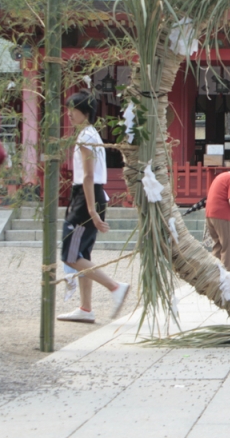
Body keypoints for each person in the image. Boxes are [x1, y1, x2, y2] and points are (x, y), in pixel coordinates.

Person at [57, 90, 130, 323]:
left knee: (70, 254)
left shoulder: (86, 137)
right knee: (81, 253)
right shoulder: (92, 134)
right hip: (92, 194)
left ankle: (115, 287)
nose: (69, 114)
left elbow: (88, 176)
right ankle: (86, 308)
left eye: (73, 109)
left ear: (84, 111)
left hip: (86, 196)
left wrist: (90, 211)